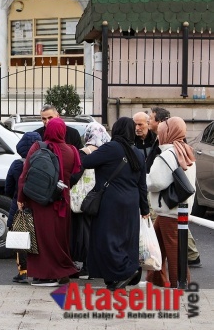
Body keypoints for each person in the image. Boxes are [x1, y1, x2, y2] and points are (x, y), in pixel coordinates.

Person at [81, 117, 150, 291]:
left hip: (111, 202)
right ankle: (119, 276)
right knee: (126, 240)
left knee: (107, 240)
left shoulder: (111, 148)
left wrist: (87, 150)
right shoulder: (137, 153)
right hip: (131, 202)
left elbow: (86, 162)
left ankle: (121, 274)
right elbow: (142, 184)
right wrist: (145, 208)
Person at [17, 118, 80, 287]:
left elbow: (25, 174)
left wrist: (20, 197)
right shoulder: (73, 150)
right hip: (62, 199)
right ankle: (62, 269)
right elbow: (74, 175)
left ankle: (46, 275)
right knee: (60, 238)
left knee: (42, 238)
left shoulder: (38, 147)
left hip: (39, 200)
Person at [147, 107, 201, 268]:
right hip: (179, 207)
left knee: (172, 253)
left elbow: (155, 182)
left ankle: (180, 284)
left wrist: (143, 180)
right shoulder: (186, 150)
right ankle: (156, 279)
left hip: (168, 209)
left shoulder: (168, 154)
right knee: (158, 251)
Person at [69, 122, 111, 280]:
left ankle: (87, 266)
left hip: (85, 199)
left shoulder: (82, 153)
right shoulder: (108, 152)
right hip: (102, 196)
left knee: (85, 231)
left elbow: (74, 175)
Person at [5, 131, 41, 284]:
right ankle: (39, 270)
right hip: (38, 205)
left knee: (21, 238)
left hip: (18, 206)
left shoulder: (16, 164)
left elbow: (8, 187)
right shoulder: (42, 163)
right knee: (38, 238)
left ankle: (23, 271)